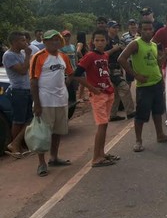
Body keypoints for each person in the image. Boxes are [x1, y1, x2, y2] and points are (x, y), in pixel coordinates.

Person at [118, 20, 167, 152]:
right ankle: (138, 141)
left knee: (158, 111)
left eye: (150, 29)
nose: (148, 32)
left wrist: (165, 55)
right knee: (141, 114)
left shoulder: (153, 45)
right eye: (145, 29)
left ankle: (160, 135)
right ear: (140, 31)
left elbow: (156, 62)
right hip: (144, 86)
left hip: (157, 82)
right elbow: (121, 59)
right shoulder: (135, 44)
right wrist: (135, 75)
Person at [30, 30, 75, 177]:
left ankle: (54, 157)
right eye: (50, 40)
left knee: (58, 131)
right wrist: (37, 103)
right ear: (45, 42)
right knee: (43, 133)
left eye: (57, 40)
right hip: (45, 101)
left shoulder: (63, 57)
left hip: (61, 100)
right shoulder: (38, 57)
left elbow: (71, 73)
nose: (54, 42)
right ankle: (41, 162)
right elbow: (33, 81)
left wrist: (65, 85)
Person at [72, 29, 118, 167]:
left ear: (107, 41)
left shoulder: (104, 55)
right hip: (98, 94)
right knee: (101, 125)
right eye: (97, 40)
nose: (100, 43)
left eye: (102, 40)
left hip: (107, 92)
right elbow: (77, 74)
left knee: (104, 124)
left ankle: (101, 153)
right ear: (92, 42)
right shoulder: (90, 56)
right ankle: (96, 158)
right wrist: (92, 88)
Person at [3, 32, 33, 155]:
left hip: (26, 89)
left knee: (29, 118)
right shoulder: (9, 55)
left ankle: (18, 144)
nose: (25, 43)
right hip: (18, 90)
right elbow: (21, 70)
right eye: (22, 41)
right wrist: (27, 56)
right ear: (14, 42)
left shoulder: (20, 54)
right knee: (18, 120)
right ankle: (14, 146)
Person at [106, 21, 135, 121]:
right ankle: (130, 112)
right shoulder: (105, 39)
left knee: (116, 93)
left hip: (118, 67)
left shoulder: (117, 38)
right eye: (114, 27)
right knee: (124, 88)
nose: (116, 29)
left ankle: (112, 114)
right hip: (110, 68)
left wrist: (121, 48)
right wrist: (115, 49)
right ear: (108, 28)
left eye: (117, 27)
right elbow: (102, 54)